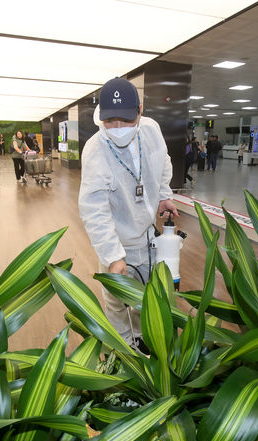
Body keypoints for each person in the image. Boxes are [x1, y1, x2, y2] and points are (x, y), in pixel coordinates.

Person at [79, 77, 178, 353]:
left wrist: (164, 194)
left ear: (140, 111)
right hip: (118, 242)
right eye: (110, 121)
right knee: (116, 305)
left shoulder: (151, 132)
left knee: (148, 298)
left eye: (125, 120)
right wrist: (113, 255)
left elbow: (164, 162)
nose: (118, 128)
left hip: (147, 237)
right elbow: (93, 209)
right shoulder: (95, 151)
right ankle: (123, 355)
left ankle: (147, 344)